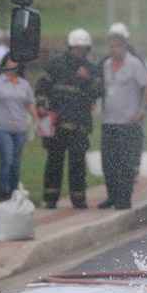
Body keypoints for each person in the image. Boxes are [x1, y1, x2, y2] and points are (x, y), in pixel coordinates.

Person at [36, 28, 102, 209]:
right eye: (76, 49)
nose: (79, 53)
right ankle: (50, 198)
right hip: (56, 123)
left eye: (83, 50)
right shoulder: (55, 64)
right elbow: (42, 86)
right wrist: (41, 105)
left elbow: (98, 92)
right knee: (54, 162)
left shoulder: (91, 69)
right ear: (70, 47)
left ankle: (78, 199)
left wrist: (87, 80)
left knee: (78, 164)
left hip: (80, 125)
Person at [97, 23, 147, 210]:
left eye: (118, 46)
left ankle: (124, 198)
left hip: (127, 122)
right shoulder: (105, 65)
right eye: (111, 46)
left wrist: (142, 109)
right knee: (109, 162)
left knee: (125, 163)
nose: (114, 50)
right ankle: (111, 195)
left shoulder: (134, 64)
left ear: (125, 46)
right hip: (109, 121)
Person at [0, 51, 37, 201]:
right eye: (10, 61)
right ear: (5, 63)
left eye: (15, 62)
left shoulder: (24, 84)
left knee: (16, 163)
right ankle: (3, 193)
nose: (12, 64)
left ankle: (14, 192)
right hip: (1, 127)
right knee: (7, 159)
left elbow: (29, 103)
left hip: (20, 129)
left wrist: (36, 120)